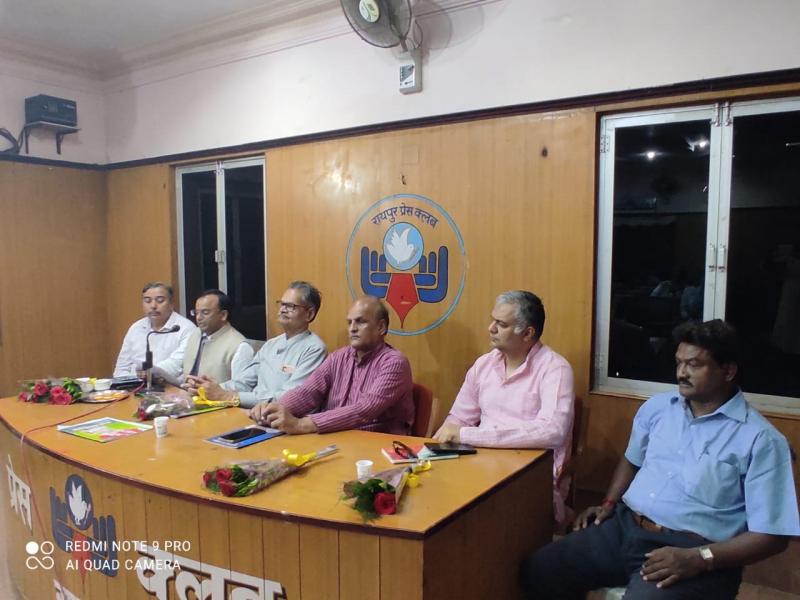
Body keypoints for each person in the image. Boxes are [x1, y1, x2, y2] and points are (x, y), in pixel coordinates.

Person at [520, 319, 800, 600]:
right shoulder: (657, 409)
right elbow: (632, 461)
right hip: (626, 527)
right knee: (541, 569)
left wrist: (700, 558)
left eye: (694, 365)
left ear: (728, 371)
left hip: (692, 549)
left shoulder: (761, 440)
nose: (681, 373)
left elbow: (772, 537)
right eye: (678, 363)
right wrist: (608, 502)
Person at [433, 290, 575, 523]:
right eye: (493, 320)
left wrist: (469, 434)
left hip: (529, 478)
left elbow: (552, 432)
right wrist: (437, 449)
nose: (491, 328)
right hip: (476, 466)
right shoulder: (484, 365)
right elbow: (457, 420)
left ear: (528, 333)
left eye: (501, 324)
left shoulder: (555, 369)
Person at [250, 295, 414, 435]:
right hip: (335, 439)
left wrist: (301, 425)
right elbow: (308, 392)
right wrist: (274, 410)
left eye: (360, 322)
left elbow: (364, 410)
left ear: (381, 327)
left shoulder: (394, 363)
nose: (352, 329)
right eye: (349, 323)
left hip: (377, 447)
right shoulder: (338, 357)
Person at [187, 282, 326, 408]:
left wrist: (230, 397)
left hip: (286, 422)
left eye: (290, 306)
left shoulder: (314, 349)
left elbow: (289, 398)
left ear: (309, 313)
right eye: (282, 304)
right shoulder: (271, 344)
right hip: (254, 415)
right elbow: (244, 381)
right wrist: (208, 388)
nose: (283, 310)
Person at [113, 282, 196, 384]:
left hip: (170, 388)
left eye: (160, 300)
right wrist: (123, 386)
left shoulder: (186, 328)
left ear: (171, 304)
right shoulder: (136, 328)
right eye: (147, 301)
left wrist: (149, 373)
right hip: (134, 386)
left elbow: (176, 364)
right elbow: (122, 366)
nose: (153, 306)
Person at [179, 289, 253, 385]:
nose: (198, 318)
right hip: (187, 395)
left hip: (216, 399)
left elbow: (241, 387)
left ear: (223, 315)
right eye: (196, 312)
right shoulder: (195, 334)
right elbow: (185, 370)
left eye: (205, 312)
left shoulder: (239, 346)